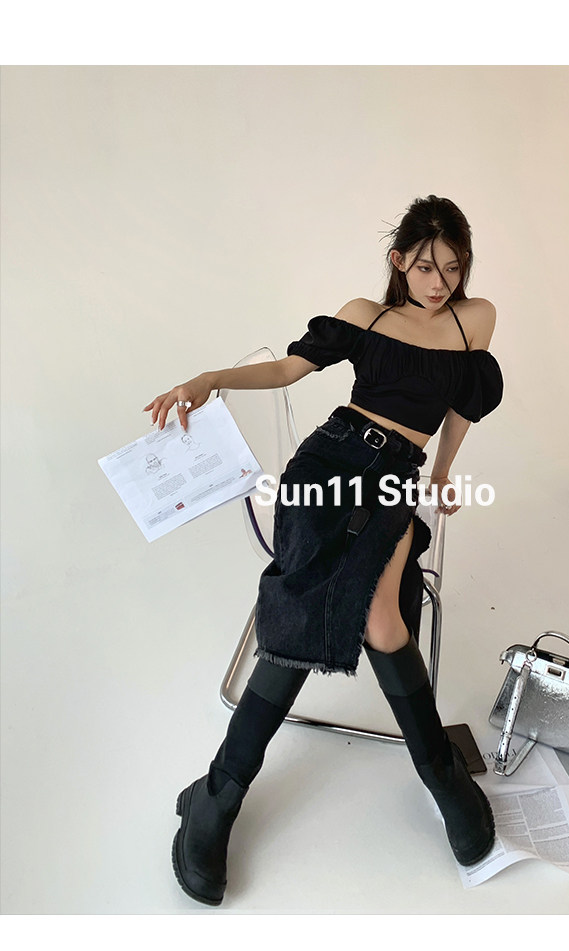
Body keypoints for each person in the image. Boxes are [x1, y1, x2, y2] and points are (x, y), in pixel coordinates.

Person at [145, 195, 504, 905]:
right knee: (308, 610)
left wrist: (441, 472)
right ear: (398, 260)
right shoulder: (365, 315)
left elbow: (462, 404)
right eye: (425, 266)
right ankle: (219, 796)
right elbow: (288, 370)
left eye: (452, 267)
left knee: (382, 620)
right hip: (328, 463)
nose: (439, 282)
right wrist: (208, 379)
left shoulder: (476, 319)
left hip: (395, 477)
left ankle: (438, 775)